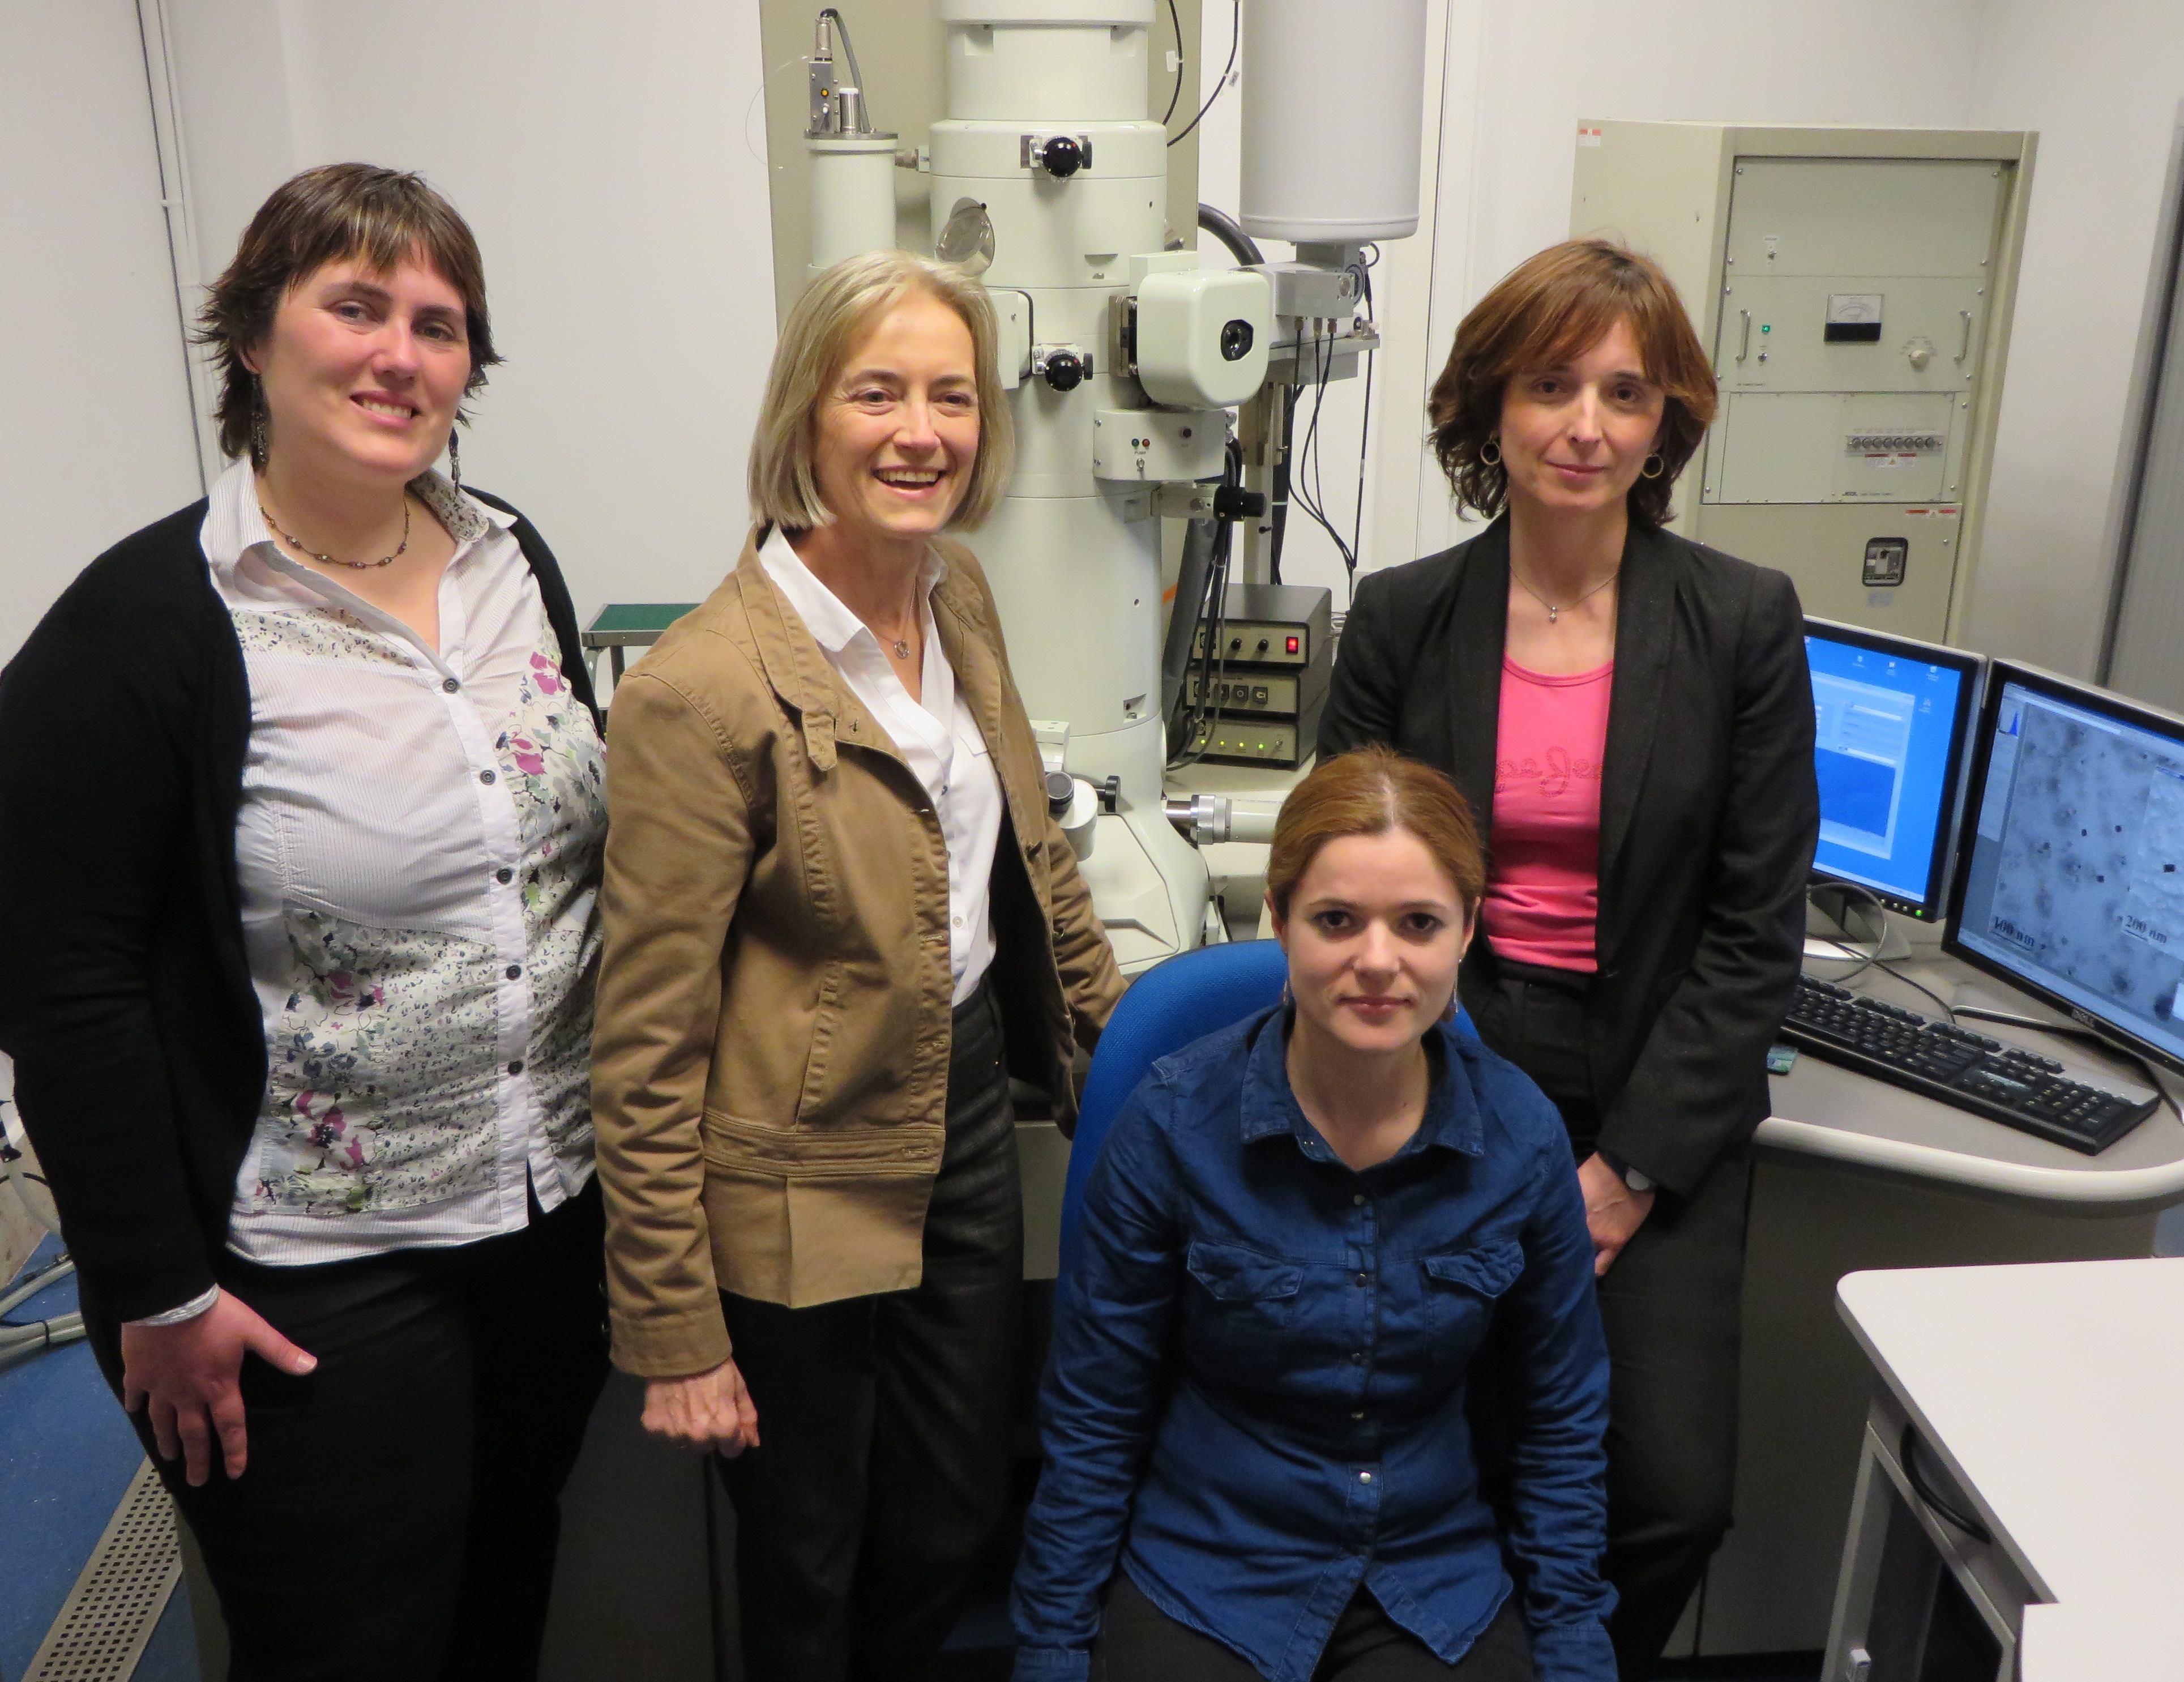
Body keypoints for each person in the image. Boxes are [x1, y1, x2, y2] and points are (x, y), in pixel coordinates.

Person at [0, 164, 609, 1679]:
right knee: (344, 1644)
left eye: (439, 322)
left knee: (499, 1601)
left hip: (545, 1223)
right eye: (355, 306)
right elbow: (60, 981)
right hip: (311, 1271)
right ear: (255, 339)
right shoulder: (143, 625)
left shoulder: (507, 556)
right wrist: (151, 1286)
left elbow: (560, 857)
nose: (399, 353)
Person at [590, 246, 1125, 1682]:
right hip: (790, 1167)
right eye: (876, 391)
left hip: (950, 1122)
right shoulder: (701, 693)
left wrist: (1125, 1051)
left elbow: (1033, 864)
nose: (920, 430)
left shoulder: (957, 602)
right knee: (806, 1556)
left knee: (949, 1525)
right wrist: (676, 1325)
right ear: (806, 419)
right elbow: (643, 1045)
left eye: (951, 395)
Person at [1317, 238, 1820, 1675]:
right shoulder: (1406, 620)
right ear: (1490, 408)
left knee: (1666, 1497)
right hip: (1448, 1081)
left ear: (1668, 422)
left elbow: (1752, 929)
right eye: (1550, 386)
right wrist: (1443, 1111)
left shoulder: (1738, 621)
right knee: (1438, 1454)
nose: (1586, 425)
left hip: (1658, 1100)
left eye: (1625, 391)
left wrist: (1629, 1171)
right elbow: (1348, 883)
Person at [1010, 745, 1615, 1682]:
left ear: (1466, 932)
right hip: (1209, 1569)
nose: (1378, 961)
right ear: (1279, 920)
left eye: (1418, 922)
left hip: (1430, 1577)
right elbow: (1094, 1418)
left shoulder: (1523, 1137)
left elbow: (1559, 1422)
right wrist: (1050, 1653)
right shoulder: (1171, 1127)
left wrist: (1577, 1653)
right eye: (1337, 920)